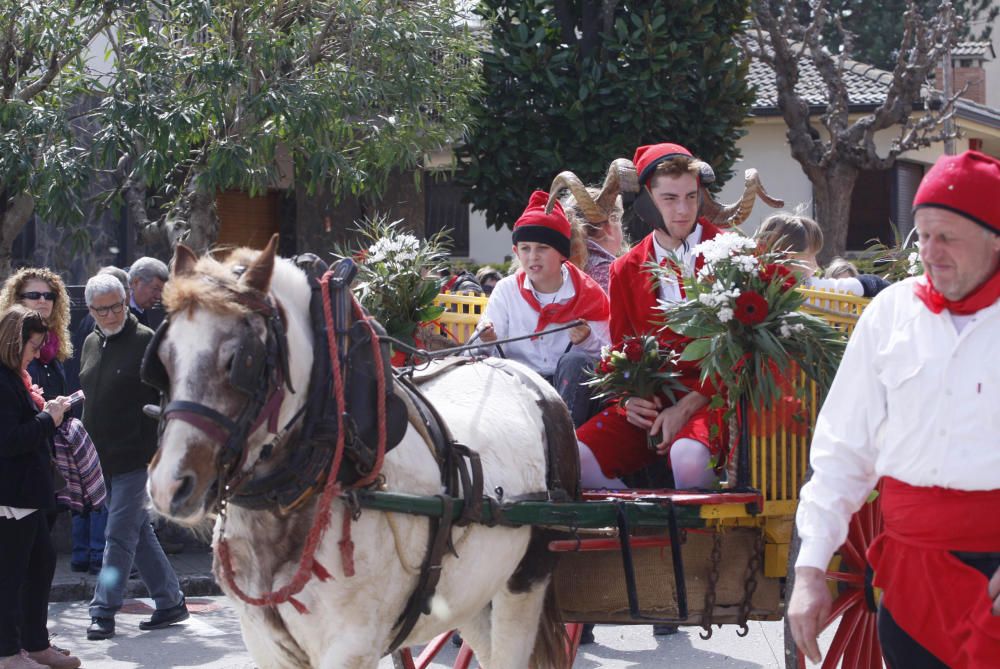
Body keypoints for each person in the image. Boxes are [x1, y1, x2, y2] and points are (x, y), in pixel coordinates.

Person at [787, 150, 1000, 668]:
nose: (930, 251)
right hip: (908, 583)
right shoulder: (890, 313)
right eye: (923, 235)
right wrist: (812, 571)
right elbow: (842, 452)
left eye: (947, 236)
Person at [575, 143, 726, 492]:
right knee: (577, 456)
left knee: (688, 456)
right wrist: (629, 400)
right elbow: (622, 349)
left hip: (718, 398)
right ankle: (642, 532)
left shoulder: (731, 251)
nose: (684, 210)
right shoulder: (625, 268)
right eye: (670, 199)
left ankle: (705, 546)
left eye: (691, 196)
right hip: (655, 402)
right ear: (645, 201)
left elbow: (746, 353)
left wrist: (687, 406)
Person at [79, 274, 188, 641]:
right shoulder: (91, 341)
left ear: (126, 301)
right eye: (101, 309)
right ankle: (170, 600)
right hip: (99, 461)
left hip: (138, 459)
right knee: (137, 533)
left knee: (118, 536)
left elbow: (173, 393)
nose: (110, 314)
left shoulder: (146, 341)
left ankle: (103, 611)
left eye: (116, 306)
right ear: (90, 310)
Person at [475, 190, 610, 427]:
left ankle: (564, 442)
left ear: (561, 254)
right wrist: (486, 339)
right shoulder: (506, 290)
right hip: (519, 390)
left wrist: (587, 339)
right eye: (525, 248)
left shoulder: (588, 294)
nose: (533, 257)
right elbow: (477, 354)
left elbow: (611, 356)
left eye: (542, 248)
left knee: (575, 362)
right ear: (516, 252)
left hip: (571, 394)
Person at [0, 306, 81, 669]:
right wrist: (48, 417)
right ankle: (8, 652)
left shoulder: (13, 376)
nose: (36, 355)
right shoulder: (2, 380)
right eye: (32, 347)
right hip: (11, 494)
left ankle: (34, 644)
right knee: (11, 575)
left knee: (40, 563)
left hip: (27, 493)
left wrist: (49, 413)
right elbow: (10, 439)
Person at [754, 214, 890, 297]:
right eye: (811, 255)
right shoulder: (810, 291)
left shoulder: (749, 287)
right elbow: (872, 284)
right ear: (792, 257)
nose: (817, 265)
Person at [564, 188, 626, 293]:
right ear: (610, 224)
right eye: (619, 220)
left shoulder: (564, 263)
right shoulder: (608, 272)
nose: (621, 226)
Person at [126, 257, 168, 327]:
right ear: (136, 282)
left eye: (161, 290)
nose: (158, 296)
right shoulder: (119, 314)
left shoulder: (141, 307)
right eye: (155, 289)